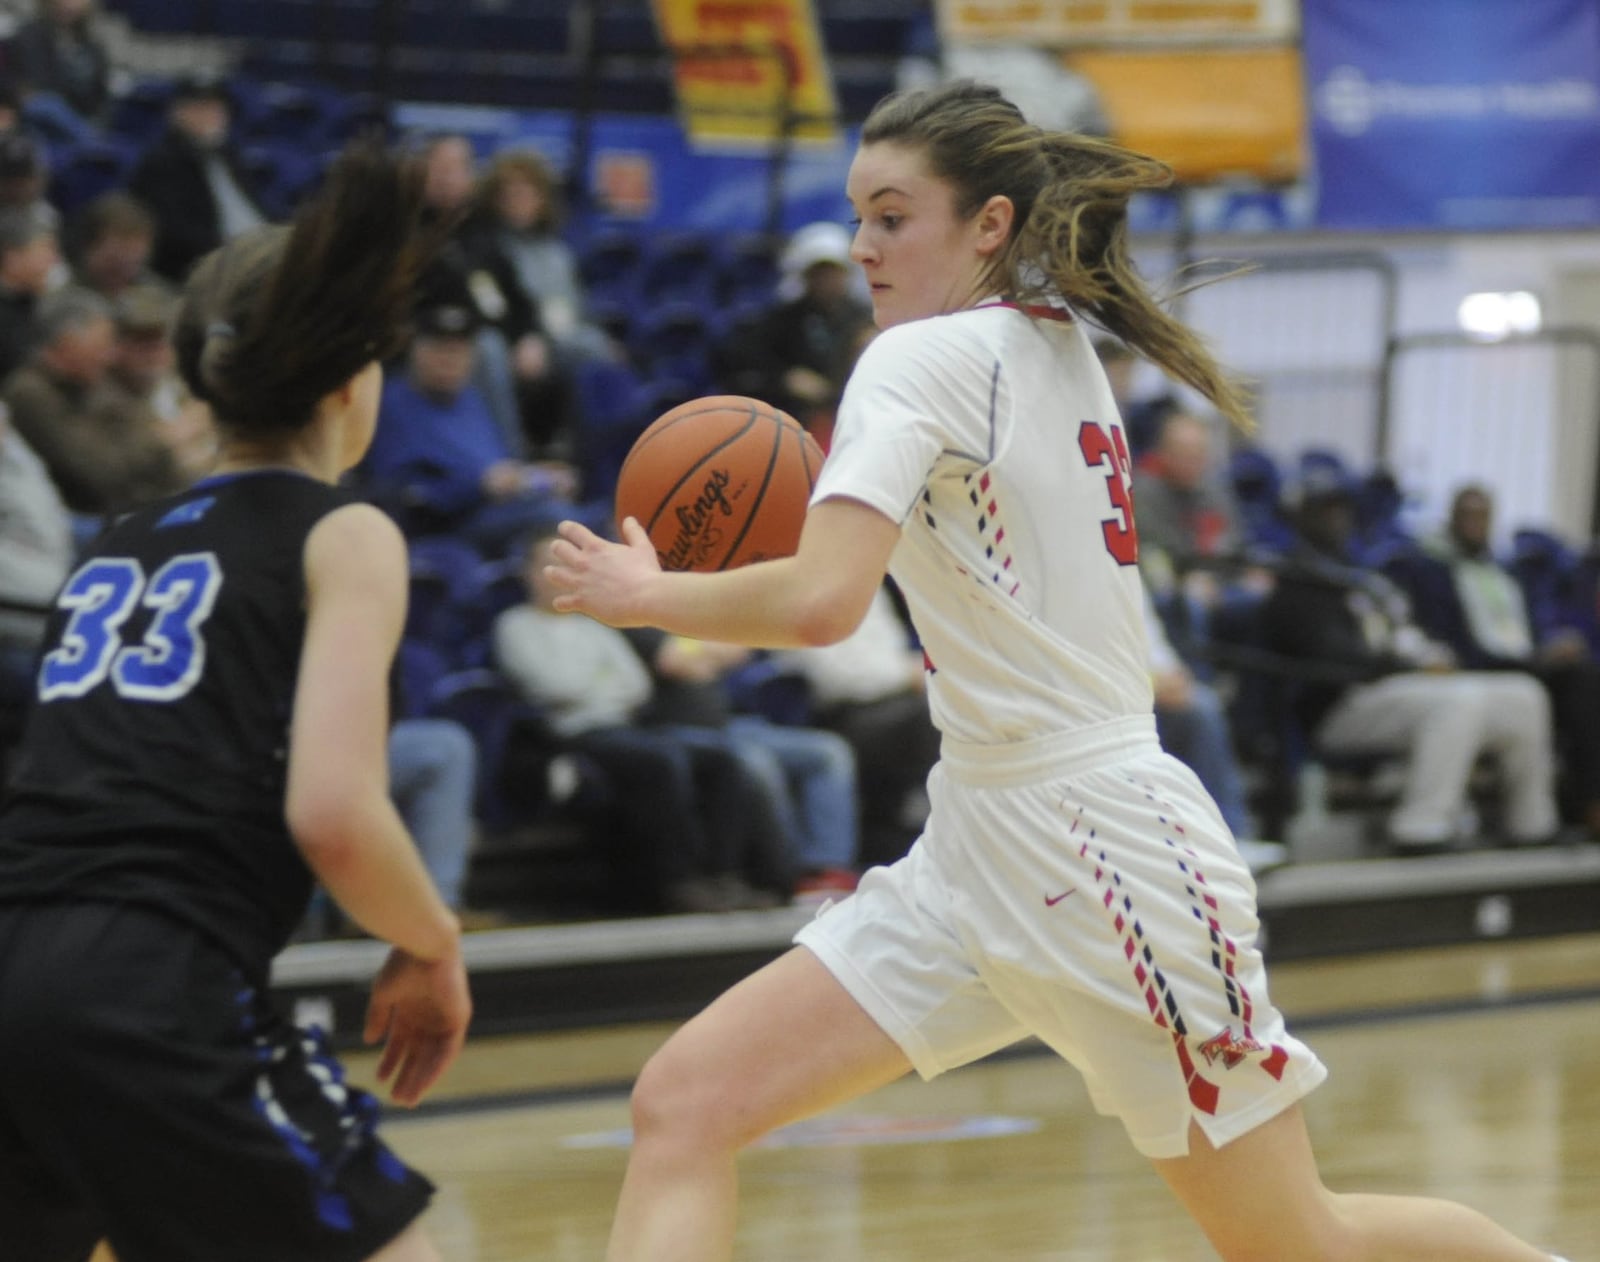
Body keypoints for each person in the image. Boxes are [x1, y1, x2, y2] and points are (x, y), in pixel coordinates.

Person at [545, 81, 1570, 1262]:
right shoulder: (1053, 346)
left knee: (1298, 1239)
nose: (865, 246)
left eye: (892, 216)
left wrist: (646, 592)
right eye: (857, 219)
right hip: (980, 834)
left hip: (1093, 842)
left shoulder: (916, 359)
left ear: (988, 224)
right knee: (685, 1104)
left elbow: (826, 600)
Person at [0, 144, 470, 1261]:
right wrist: (432, 940)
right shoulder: (344, 529)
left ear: (197, 386)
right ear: (355, 382)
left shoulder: (116, 542)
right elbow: (334, 811)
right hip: (147, 984)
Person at [1262, 470, 1560, 851]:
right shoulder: (1297, 578)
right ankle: (1421, 826)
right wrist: (1406, 664)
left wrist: (1423, 655)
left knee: (1524, 695)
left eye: (1342, 510)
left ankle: (1532, 825)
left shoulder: (1355, 570)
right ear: (1303, 517)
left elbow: (1395, 631)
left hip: (1390, 688)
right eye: (1325, 511)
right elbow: (1336, 657)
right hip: (1338, 707)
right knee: (1456, 700)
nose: (1337, 520)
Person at [494, 531, 790, 912]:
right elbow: (556, 686)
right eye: (548, 565)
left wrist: (592, 683)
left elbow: (634, 685)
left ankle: (724, 876)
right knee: (658, 761)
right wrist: (598, 680)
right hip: (573, 733)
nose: (558, 574)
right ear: (529, 574)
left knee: (720, 758)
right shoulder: (515, 625)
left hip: (626, 724)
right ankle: (678, 880)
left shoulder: (591, 623)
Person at [359, 299, 578, 550]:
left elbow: (502, 468)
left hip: (505, 510)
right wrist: (477, 487)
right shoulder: (392, 405)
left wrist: (536, 477)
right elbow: (400, 495)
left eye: (459, 350)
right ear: (416, 350)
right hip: (450, 527)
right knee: (558, 520)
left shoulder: (472, 398)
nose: (449, 359)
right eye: (440, 348)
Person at [3, 286, 186, 516]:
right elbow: (99, 472)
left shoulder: (93, 382)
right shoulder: (30, 394)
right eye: (100, 346)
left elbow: (147, 444)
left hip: (127, 504)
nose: (109, 357)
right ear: (66, 344)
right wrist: (165, 442)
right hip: (75, 517)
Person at [127, 72, 269, 283]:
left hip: (256, 252)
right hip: (211, 268)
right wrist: (231, 250)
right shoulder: (161, 163)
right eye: (199, 107)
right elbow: (172, 233)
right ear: (177, 112)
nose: (210, 115)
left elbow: (255, 206)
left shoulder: (230, 155)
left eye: (215, 107)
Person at [9, 0, 113, 122]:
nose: (68, 4)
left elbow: (100, 94)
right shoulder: (29, 36)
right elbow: (38, 85)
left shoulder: (93, 48)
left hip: (81, 118)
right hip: (43, 116)